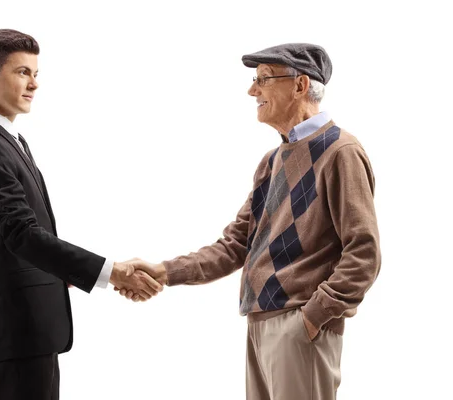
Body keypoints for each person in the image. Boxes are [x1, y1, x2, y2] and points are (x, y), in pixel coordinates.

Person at [118, 43, 381, 400]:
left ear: (300, 85)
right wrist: (163, 271)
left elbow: (364, 253)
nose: (252, 90)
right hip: (261, 324)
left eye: (263, 79)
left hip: (299, 327)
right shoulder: (272, 162)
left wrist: (314, 316)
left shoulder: (340, 152)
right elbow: (234, 246)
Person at [0, 29, 162, 400]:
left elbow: (23, 238)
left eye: (35, 73)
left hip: (31, 331)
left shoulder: (9, 142)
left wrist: (65, 269)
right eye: (22, 72)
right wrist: (111, 271)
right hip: (16, 332)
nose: (34, 83)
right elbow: (22, 234)